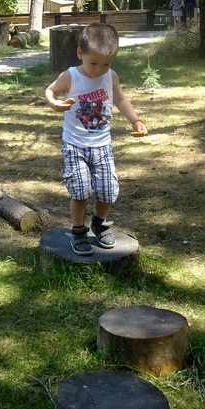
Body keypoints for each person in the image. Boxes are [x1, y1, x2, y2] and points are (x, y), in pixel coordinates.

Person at [44, 23, 147, 256]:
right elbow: (51, 91)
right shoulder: (70, 76)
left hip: (102, 146)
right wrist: (54, 103)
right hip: (75, 145)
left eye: (106, 64)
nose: (99, 70)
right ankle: (79, 231)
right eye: (94, 63)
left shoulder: (110, 77)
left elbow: (120, 100)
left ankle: (100, 224)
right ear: (80, 54)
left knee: (108, 190)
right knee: (80, 191)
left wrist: (136, 120)